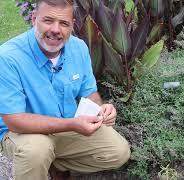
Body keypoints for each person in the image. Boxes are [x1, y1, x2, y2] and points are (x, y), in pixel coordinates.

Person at [0, 0, 131, 179]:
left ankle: (53, 164)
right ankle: (41, 163)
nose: (56, 29)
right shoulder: (8, 58)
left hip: (66, 128)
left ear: (72, 25)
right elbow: (14, 121)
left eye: (64, 23)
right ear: (33, 19)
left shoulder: (78, 48)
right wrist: (71, 125)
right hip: (22, 133)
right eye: (48, 20)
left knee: (118, 151)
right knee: (36, 151)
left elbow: (90, 93)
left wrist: (101, 109)